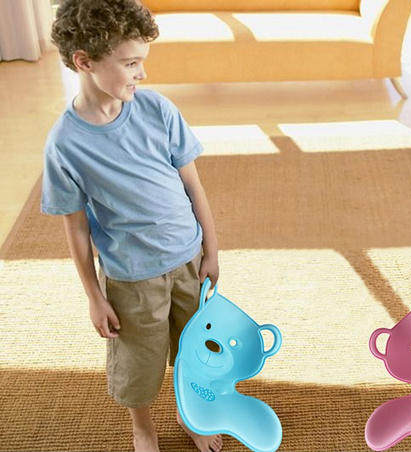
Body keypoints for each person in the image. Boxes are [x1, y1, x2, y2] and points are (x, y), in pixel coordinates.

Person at [43, 1, 222, 451]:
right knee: (138, 363)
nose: (142, 73)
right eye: (130, 63)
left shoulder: (157, 109)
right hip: (132, 278)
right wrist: (94, 296)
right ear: (85, 61)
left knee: (195, 351)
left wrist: (212, 248)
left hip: (188, 259)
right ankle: (143, 427)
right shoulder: (65, 144)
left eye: (142, 61)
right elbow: (76, 228)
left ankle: (191, 413)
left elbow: (192, 183)